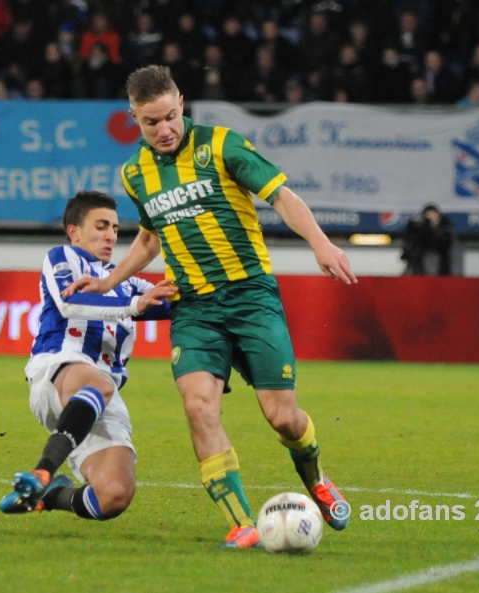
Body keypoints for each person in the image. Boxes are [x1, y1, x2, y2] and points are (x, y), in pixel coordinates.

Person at [64, 66, 357, 548]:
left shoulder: (221, 145)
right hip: (194, 306)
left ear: (183, 103)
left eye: (171, 117)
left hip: (250, 297)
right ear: (133, 118)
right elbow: (150, 236)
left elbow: (281, 197)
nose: (164, 130)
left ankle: (317, 478)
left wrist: (321, 245)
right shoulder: (135, 172)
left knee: (283, 418)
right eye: (151, 122)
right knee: (199, 405)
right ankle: (242, 524)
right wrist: (109, 280)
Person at [0, 191, 176, 520]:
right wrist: (135, 306)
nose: (111, 234)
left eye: (115, 227)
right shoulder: (62, 258)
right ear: (74, 231)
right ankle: (42, 472)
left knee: (114, 496)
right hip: (57, 370)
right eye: (101, 225)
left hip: (100, 397)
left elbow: (173, 303)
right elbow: (71, 303)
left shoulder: (126, 282)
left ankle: (48, 496)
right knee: (98, 382)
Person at [401, 204, 456, 275]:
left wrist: (429, 230)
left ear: (438, 215)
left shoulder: (446, 229)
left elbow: (441, 246)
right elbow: (417, 244)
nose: (430, 217)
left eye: (432, 214)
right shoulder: (422, 230)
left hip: (443, 268)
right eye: (427, 215)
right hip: (424, 268)